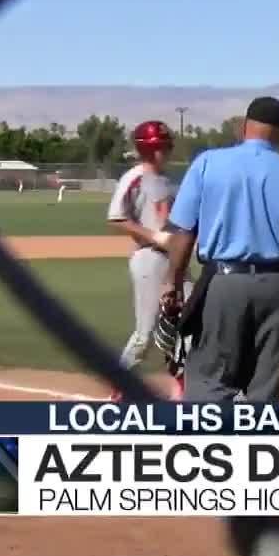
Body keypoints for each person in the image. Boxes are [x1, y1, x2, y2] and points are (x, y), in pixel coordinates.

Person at [162, 96, 279, 403]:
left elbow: (184, 233)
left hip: (223, 285)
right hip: (277, 288)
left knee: (211, 384)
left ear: (243, 128)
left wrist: (172, 284)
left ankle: (211, 445)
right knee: (267, 390)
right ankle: (260, 447)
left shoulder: (208, 163)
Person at [105, 120, 189, 401]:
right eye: (164, 145)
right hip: (149, 260)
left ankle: (182, 388)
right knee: (145, 334)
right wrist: (155, 236)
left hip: (175, 262)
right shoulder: (134, 177)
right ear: (151, 149)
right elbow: (116, 218)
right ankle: (120, 386)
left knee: (189, 321)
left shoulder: (167, 180)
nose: (169, 149)